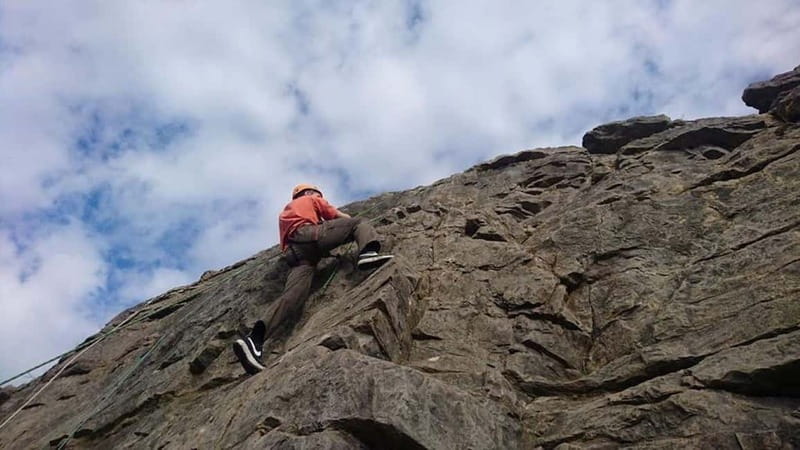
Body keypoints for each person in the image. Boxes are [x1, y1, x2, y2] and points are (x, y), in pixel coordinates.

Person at [233, 183, 393, 374]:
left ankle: (255, 339)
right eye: (318, 194)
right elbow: (333, 214)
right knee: (359, 223)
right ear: (309, 193)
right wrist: (347, 220)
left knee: (292, 298)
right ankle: (368, 253)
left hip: (298, 255)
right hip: (310, 235)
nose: (320, 197)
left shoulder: (288, 212)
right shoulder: (310, 199)